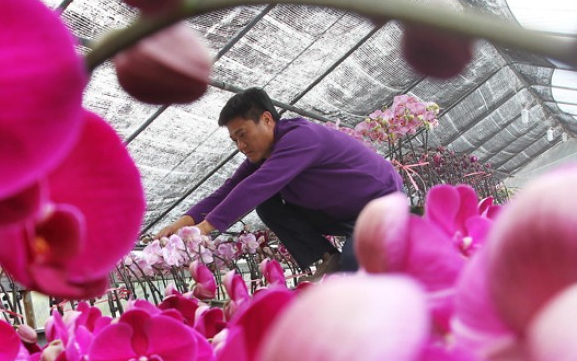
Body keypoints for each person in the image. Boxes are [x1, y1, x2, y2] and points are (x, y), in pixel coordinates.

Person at [157, 88, 402, 276]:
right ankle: (328, 257)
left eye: (243, 135)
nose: (241, 146)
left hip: (380, 207)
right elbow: (229, 189)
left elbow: (256, 186)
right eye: (234, 140)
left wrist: (204, 229)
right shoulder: (264, 155)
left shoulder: (301, 138)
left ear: (266, 119)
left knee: (355, 265)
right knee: (267, 205)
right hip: (344, 215)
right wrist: (184, 223)